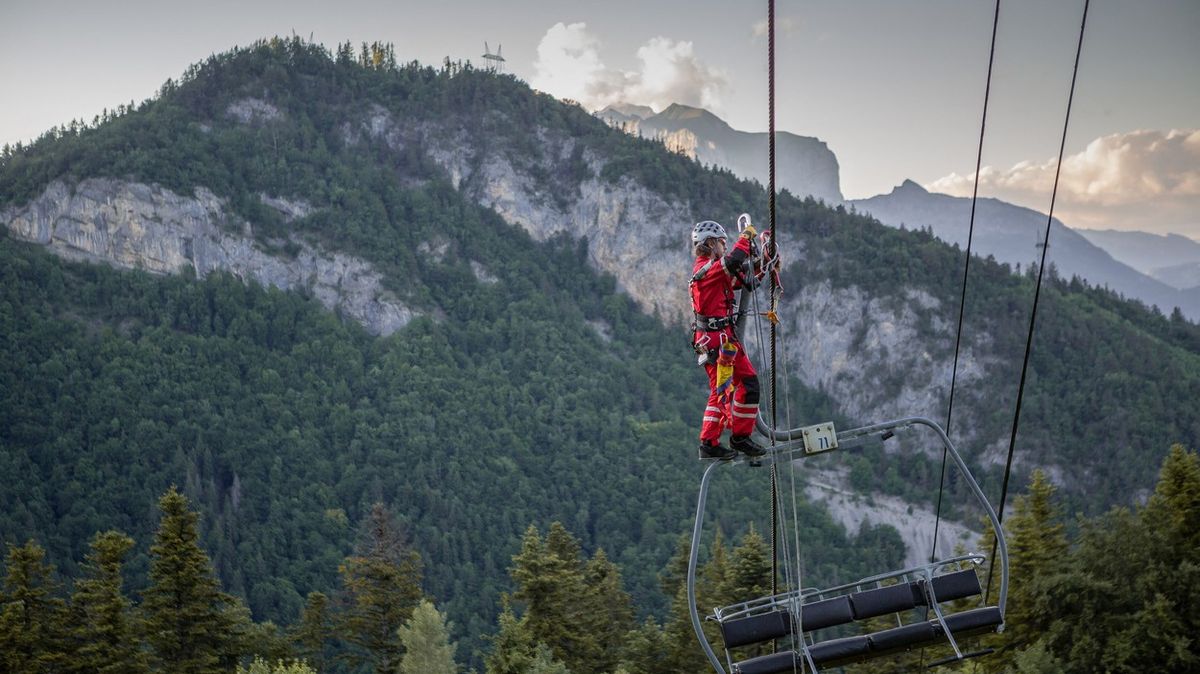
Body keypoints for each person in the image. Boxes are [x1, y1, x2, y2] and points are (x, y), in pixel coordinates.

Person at [690, 219, 768, 460]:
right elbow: (733, 262)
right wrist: (745, 238)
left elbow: (741, 281)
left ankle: (725, 439)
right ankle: (724, 439)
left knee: (740, 386)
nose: (724, 248)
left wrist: (763, 262)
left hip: (723, 340)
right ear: (711, 243)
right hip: (717, 342)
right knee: (731, 388)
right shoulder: (705, 270)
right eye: (722, 244)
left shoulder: (712, 271)